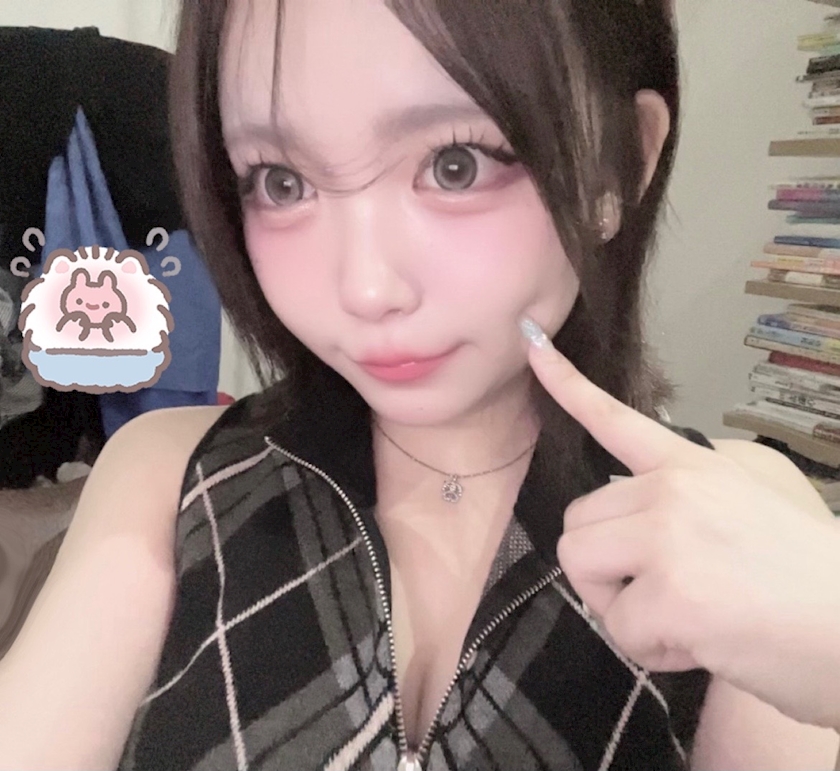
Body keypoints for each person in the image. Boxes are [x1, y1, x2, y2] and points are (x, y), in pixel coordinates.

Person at [0, 0, 839, 769]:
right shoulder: (166, 478)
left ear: (619, 164)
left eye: (456, 164)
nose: (367, 289)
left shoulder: (738, 523)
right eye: (281, 181)